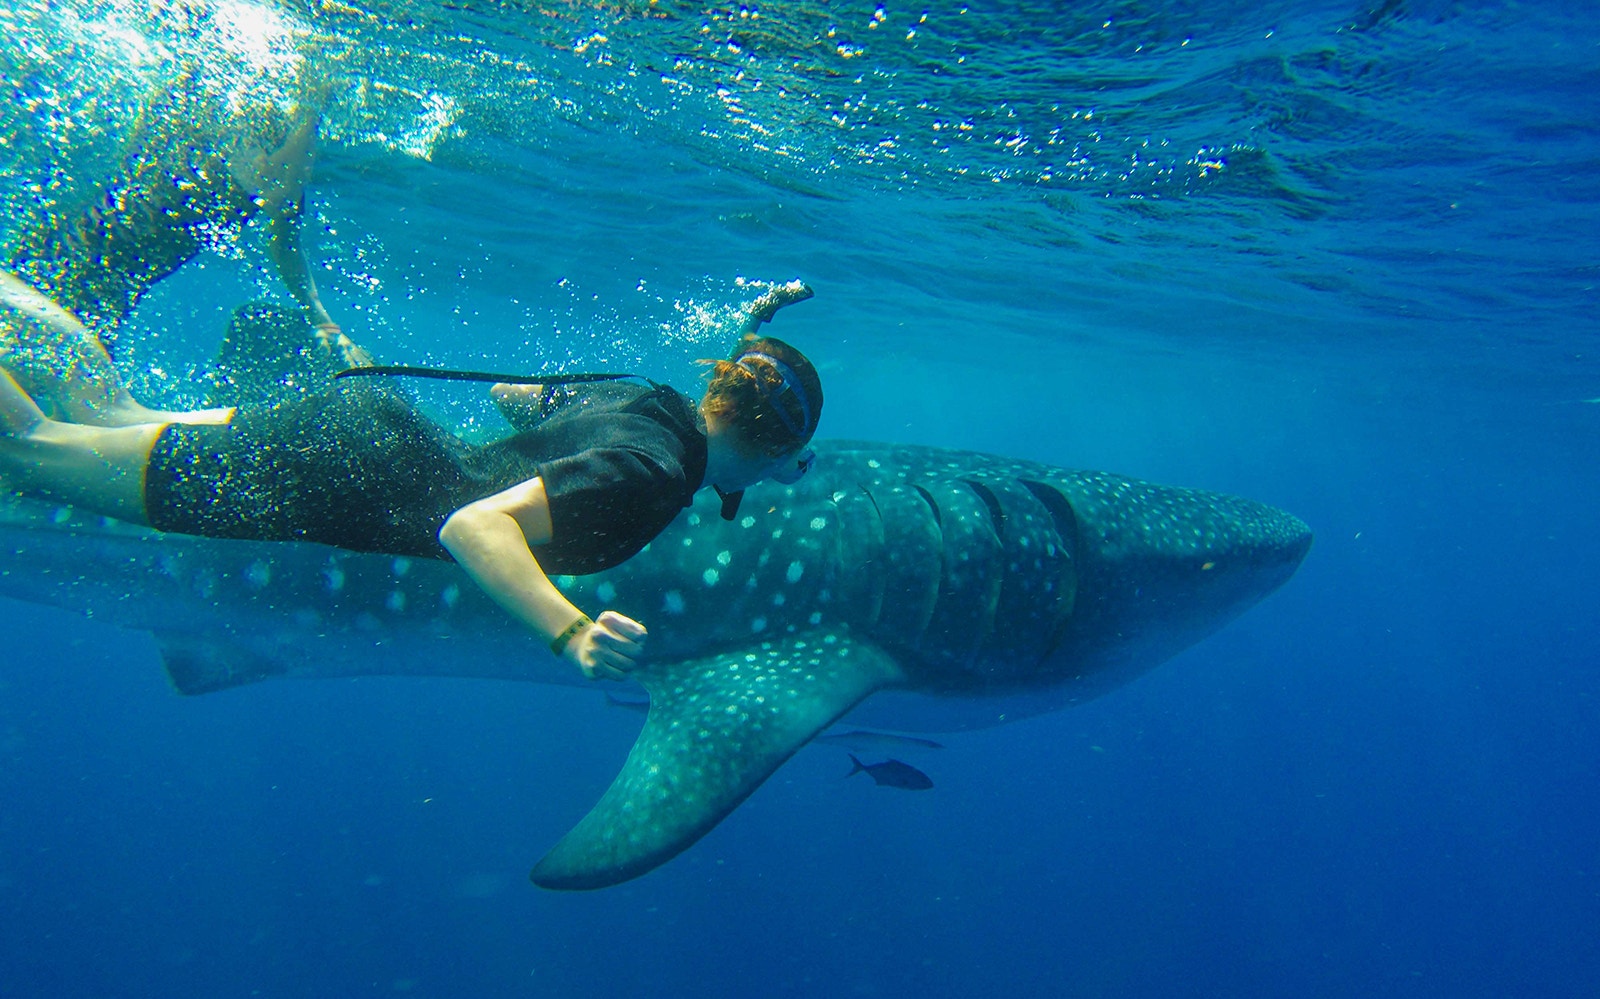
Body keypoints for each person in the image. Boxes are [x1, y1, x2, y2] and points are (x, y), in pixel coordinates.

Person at [0, 282, 824, 682]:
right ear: (779, 449)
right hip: (321, 478)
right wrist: (571, 633)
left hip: (357, 432)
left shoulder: (655, 403)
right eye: (800, 454)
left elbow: (516, 400)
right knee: (27, 448)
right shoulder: (654, 473)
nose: (798, 471)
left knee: (108, 415)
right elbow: (472, 528)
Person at [1, 80, 349, 429]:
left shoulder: (268, 151)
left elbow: (285, 244)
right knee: (63, 397)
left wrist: (317, 312)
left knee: (65, 401)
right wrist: (311, 106)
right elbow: (277, 184)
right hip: (77, 258)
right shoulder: (242, 129)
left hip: (109, 281)